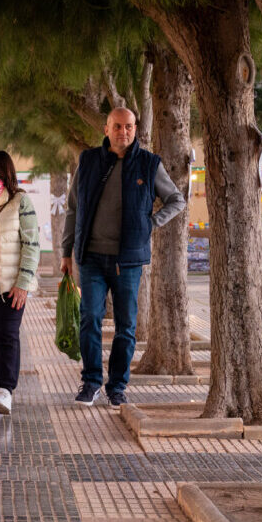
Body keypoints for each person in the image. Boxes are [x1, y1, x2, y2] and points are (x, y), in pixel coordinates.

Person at [61, 107, 186, 408]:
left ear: (135, 129)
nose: (123, 132)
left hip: (128, 261)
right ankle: (90, 382)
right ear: (106, 129)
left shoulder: (148, 164)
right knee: (89, 318)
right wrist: (66, 251)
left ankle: (117, 386)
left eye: (129, 126)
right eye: (117, 126)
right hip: (90, 258)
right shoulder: (88, 161)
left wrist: (150, 223)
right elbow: (73, 209)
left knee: (126, 326)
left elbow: (176, 200)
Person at [0, 150, 40, 416]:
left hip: (10, 283)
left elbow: (32, 244)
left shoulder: (20, 201)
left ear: (0, 172)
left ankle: (6, 389)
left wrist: (23, 282)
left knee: (7, 333)